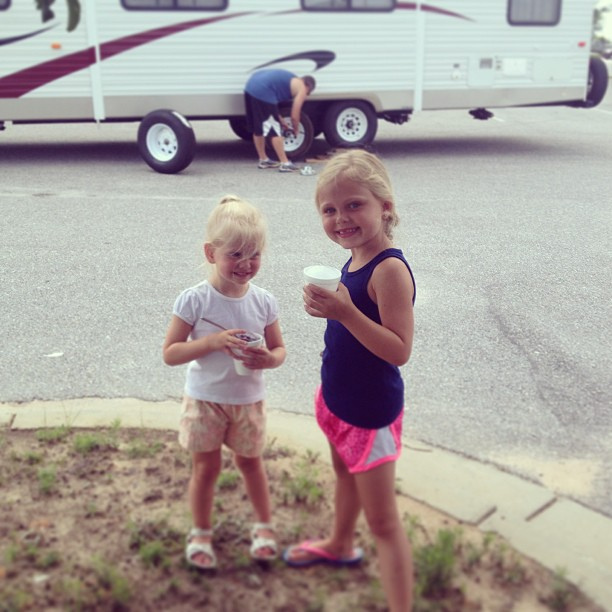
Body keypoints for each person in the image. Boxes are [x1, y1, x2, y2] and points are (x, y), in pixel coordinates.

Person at [282, 150, 416, 612]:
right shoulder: (355, 255)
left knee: (383, 523)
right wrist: (332, 310)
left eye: (354, 204)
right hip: (338, 400)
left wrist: (344, 311)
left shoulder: (389, 270)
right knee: (342, 472)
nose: (341, 218)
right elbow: (349, 327)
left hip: (370, 414)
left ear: (386, 206)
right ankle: (340, 544)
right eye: (330, 209)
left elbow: (399, 349)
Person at [163, 195, 287, 570]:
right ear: (211, 252)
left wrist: (269, 359)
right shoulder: (195, 301)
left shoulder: (264, 302)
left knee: (252, 464)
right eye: (235, 254)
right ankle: (200, 532)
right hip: (205, 399)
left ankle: (264, 528)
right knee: (207, 469)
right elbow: (170, 352)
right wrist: (213, 342)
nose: (246, 264)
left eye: (254, 254)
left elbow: (280, 350)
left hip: (248, 400)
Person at [244, 68, 316, 172]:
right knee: (275, 130)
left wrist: (281, 121)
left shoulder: (290, 78)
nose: (306, 95)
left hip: (250, 88)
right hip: (263, 91)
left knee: (258, 128)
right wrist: (295, 129)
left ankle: (263, 159)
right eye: (308, 93)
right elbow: (295, 115)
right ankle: (285, 163)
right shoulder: (302, 87)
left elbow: (271, 108)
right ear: (308, 86)